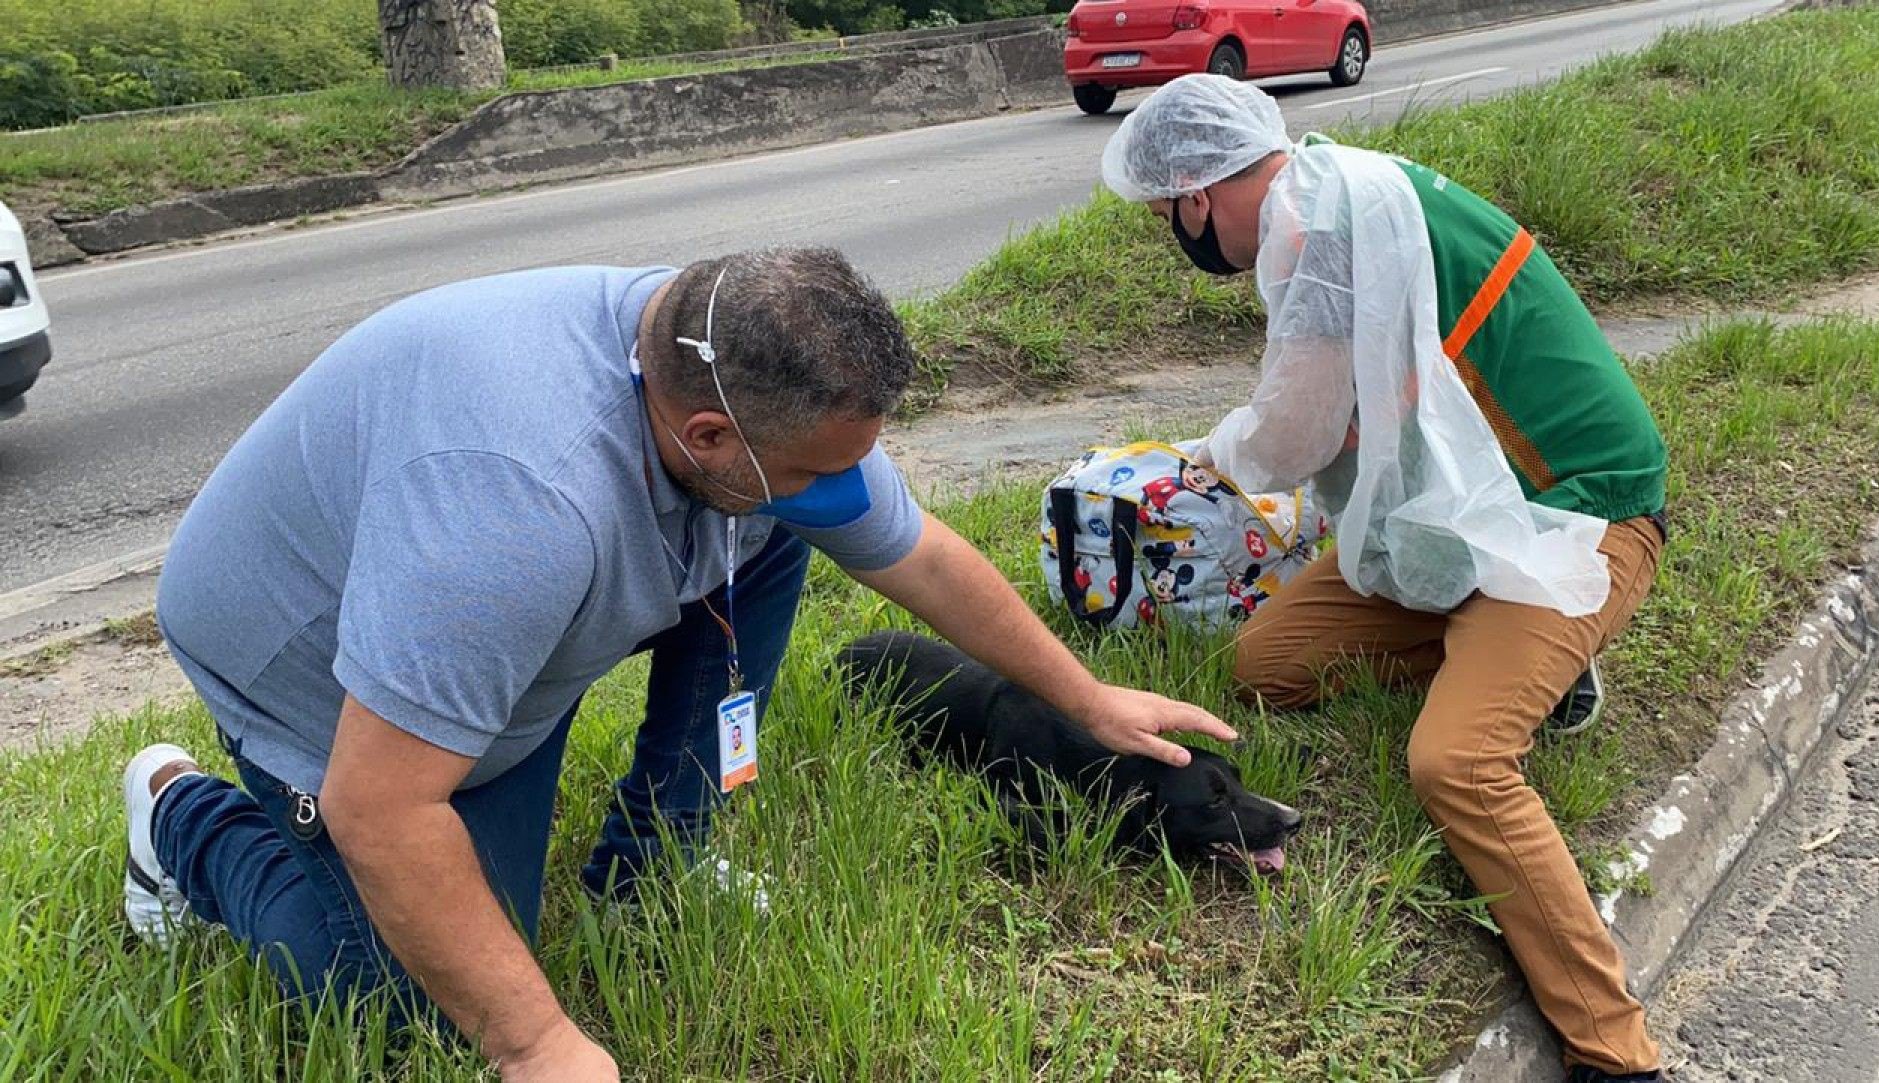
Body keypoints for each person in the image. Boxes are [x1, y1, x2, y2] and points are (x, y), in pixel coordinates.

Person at [123, 248, 1235, 1082]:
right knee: (397, 1004)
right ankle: (178, 817)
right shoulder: (516, 507)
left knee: (770, 535)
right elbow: (380, 807)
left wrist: (1085, 695)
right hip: (311, 663)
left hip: (490, 620)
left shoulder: (728, 353)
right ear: (707, 436)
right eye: (813, 471)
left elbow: (922, 555)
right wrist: (538, 1042)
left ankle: (659, 853)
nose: (845, 493)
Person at [1100, 76, 1669, 1083]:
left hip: (1574, 519)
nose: (1174, 239)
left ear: (1193, 194)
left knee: (1455, 765)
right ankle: (1520, 666)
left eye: (1162, 220)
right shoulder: (1326, 194)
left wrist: (1204, 456)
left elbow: (1296, 430)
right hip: (1459, 518)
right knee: (1265, 664)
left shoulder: (1323, 228)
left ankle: (1614, 1050)